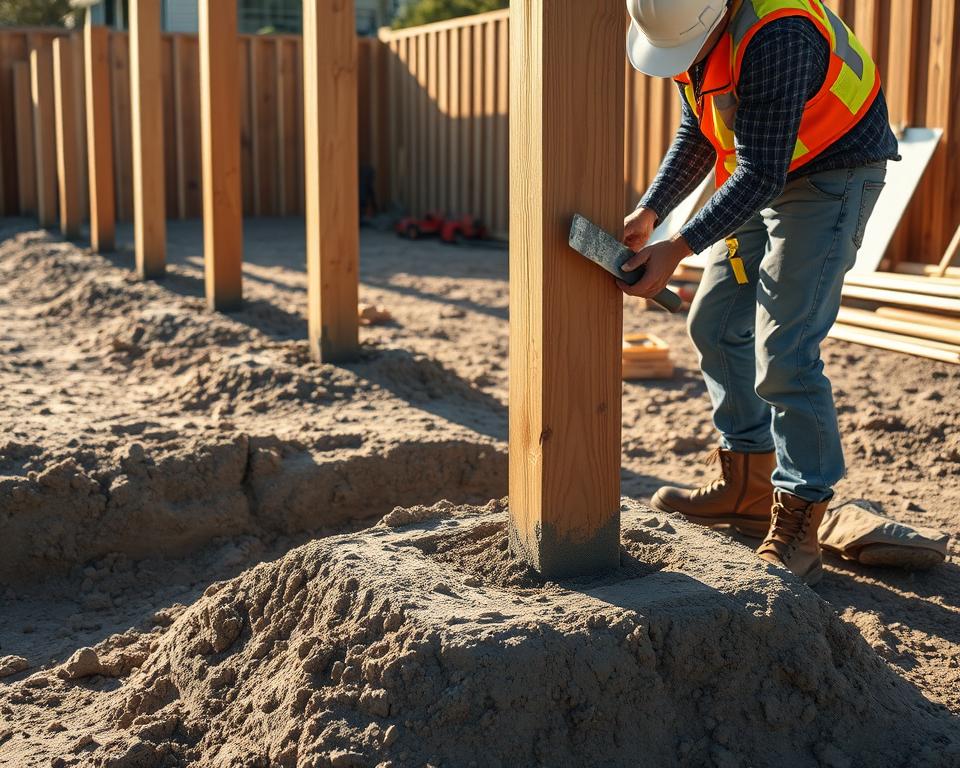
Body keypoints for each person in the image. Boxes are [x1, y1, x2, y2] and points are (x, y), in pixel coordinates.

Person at [619, 0, 899, 584]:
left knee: (786, 352)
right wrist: (654, 209)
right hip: (762, 166)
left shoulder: (780, 33)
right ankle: (746, 485)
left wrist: (676, 247)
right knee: (714, 323)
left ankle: (800, 513)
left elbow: (762, 171)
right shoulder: (691, 25)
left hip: (831, 172)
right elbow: (701, 127)